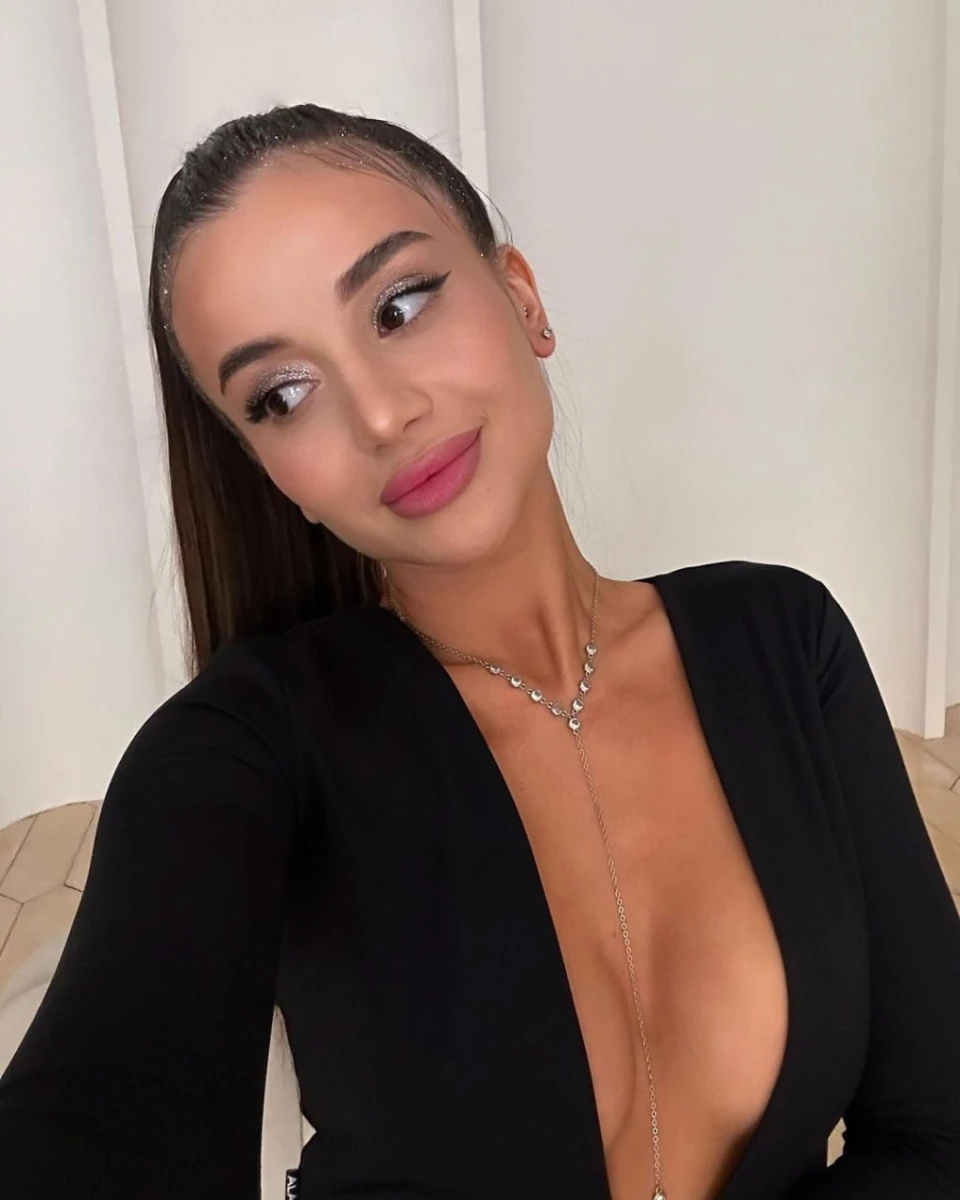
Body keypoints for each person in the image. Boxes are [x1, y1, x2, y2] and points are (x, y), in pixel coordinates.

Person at [1, 102, 959, 1200]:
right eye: (282, 395)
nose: (378, 414)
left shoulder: (785, 641)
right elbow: (99, 1110)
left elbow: (936, 1132)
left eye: (400, 305)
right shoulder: (250, 743)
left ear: (522, 298)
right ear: (270, 473)